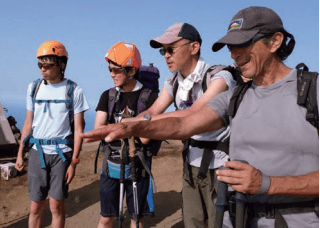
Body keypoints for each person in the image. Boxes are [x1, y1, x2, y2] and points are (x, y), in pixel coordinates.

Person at [82, 6, 319, 228]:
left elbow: (189, 114)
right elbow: (183, 123)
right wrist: (129, 127)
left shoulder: (312, 92)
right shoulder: (234, 98)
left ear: (275, 41)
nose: (235, 54)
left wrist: (268, 184)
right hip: (236, 215)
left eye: (243, 43)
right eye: (231, 47)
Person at [117, 23, 237, 228]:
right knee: (193, 222)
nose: (166, 55)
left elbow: (192, 114)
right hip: (191, 165)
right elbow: (153, 111)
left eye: (171, 48)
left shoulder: (219, 77)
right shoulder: (173, 81)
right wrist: (124, 123)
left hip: (221, 167)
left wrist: (134, 126)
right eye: (163, 50)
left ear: (194, 47)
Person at [15, 40, 89, 228]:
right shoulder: (33, 88)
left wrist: (74, 162)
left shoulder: (74, 91)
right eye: (40, 64)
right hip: (36, 152)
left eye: (48, 64)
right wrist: (20, 152)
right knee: (35, 206)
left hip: (61, 154)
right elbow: (28, 122)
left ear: (62, 64)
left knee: (56, 206)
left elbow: (79, 130)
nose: (43, 68)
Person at [95, 42, 158, 228]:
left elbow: (147, 137)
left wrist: (114, 128)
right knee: (106, 217)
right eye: (109, 69)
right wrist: (131, 128)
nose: (111, 74)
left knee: (136, 219)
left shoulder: (150, 97)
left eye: (116, 70)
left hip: (137, 166)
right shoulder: (108, 96)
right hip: (110, 165)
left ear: (131, 70)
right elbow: (99, 128)